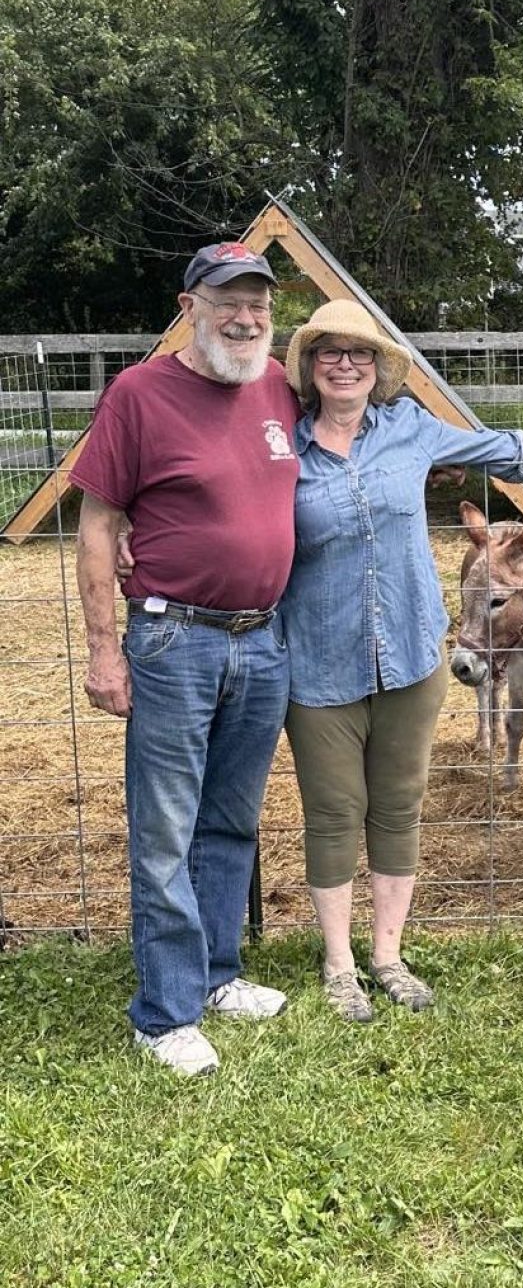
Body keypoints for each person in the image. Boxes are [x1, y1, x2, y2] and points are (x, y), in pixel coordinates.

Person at [280, 300, 523, 1022]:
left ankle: (388, 956)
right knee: (335, 813)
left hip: (407, 653)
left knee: (398, 809)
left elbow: (492, 446)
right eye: (329, 351)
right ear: (308, 366)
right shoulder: (280, 448)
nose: (345, 363)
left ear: (376, 369)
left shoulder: (408, 430)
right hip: (320, 658)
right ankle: (339, 964)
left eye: (359, 353)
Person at [72, 242, 301, 1077]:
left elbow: (366, 407)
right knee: (165, 830)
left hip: (263, 638)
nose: (245, 318)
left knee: (230, 822)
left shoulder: (276, 385)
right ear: (189, 305)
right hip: (173, 639)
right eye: (227, 302)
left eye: (259, 306)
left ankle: (215, 976)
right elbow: (99, 524)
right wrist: (106, 651)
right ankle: (163, 1013)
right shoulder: (139, 393)